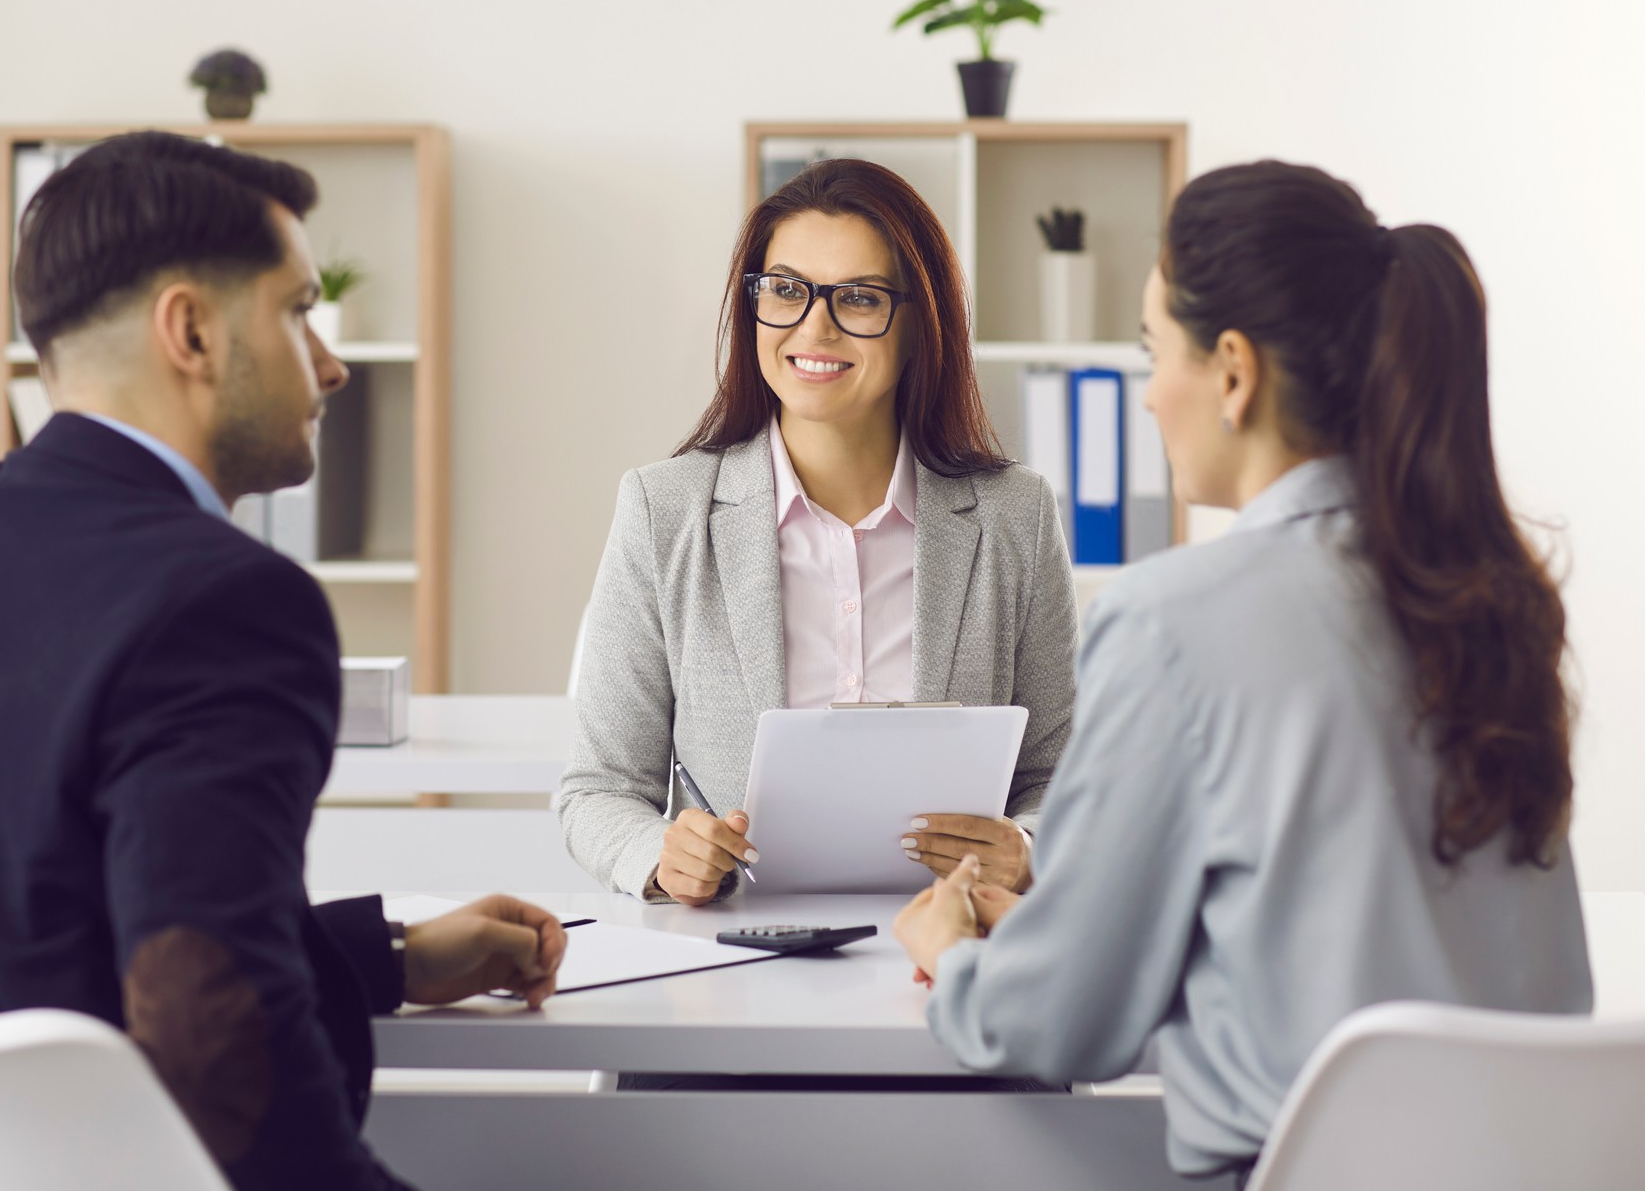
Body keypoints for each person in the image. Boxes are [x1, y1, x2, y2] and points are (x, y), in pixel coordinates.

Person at [0, 131, 565, 1191]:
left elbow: (51, 927)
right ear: (193, 330)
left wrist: (390, 954)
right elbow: (217, 1055)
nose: (332, 361)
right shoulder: (229, 602)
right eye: (299, 308)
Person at [893, 160, 1594, 1185]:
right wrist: (1078, 925)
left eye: (1151, 352)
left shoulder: (1171, 618)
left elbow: (1052, 1026)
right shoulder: (1492, 596)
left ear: (1232, 371)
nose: (1144, 397)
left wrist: (955, 950)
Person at [558, 158, 1077, 905]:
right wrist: (659, 855)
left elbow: (1064, 777)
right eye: (787, 290)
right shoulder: (662, 510)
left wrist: (1026, 847)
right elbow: (598, 790)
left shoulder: (1013, 517)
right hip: (735, 954)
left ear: (917, 324)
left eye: (860, 298)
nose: (815, 327)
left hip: (954, 947)